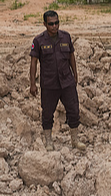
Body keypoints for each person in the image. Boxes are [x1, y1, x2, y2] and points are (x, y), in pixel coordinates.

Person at [29, 10, 86, 151]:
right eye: (51, 24)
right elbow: (33, 62)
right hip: (49, 83)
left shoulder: (66, 37)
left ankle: (75, 140)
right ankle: (49, 140)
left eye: (57, 23)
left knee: (73, 109)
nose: (54, 26)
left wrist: (75, 74)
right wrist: (32, 84)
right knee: (47, 113)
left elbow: (71, 56)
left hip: (66, 81)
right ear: (45, 24)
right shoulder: (39, 41)